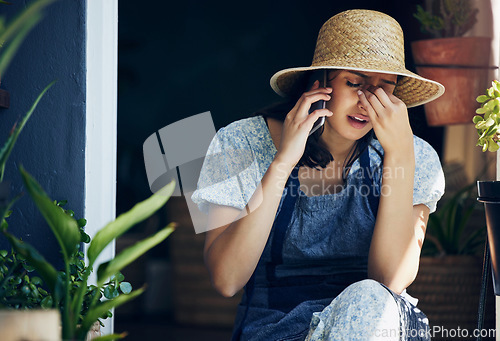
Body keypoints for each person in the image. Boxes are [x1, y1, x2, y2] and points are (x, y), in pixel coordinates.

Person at [191, 9, 445, 341]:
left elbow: (389, 281)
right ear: (319, 83)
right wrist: (283, 161)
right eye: (354, 83)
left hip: (375, 325)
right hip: (275, 328)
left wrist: (400, 155)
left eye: (384, 88)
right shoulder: (240, 143)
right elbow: (226, 279)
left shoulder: (415, 156)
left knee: (368, 298)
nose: (368, 102)